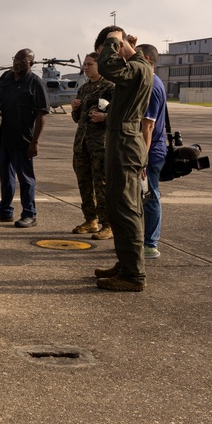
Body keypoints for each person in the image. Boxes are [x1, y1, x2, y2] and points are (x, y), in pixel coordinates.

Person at [92, 27, 153, 292]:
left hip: (126, 144)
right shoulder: (137, 66)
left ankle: (133, 275)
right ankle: (126, 263)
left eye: (109, 47)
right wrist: (122, 44)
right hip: (122, 141)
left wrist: (114, 40)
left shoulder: (137, 69)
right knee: (119, 207)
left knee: (126, 209)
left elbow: (107, 67)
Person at [0, 48, 50, 228]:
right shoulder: (5, 78)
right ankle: (5, 211)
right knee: (6, 177)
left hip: (23, 139)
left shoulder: (35, 83)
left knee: (26, 179)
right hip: (2, 138)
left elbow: (42, 113)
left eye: (22, 61)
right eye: (16, 59)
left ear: (31, 64)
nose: (17, 63)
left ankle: (30, 214)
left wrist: (34, 142)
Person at [70, 53, 114, 238]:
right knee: (84, 184)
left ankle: (108, 224)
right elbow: (77, 119)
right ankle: (90, 220)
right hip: (82, 145)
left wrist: (104, 117)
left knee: (101, 185)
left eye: (90, 64)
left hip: (100, 145)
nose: (86, 67)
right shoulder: (84, 88)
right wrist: (75, 109)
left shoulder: (110, 87)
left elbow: (119, 115)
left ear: (99, 65)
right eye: (85, 65)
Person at [138, 44, 166, 260]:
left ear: (146, 59)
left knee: (150, 196)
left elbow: (148, 127)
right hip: (150, 151)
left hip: (150, 153)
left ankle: (150, 244)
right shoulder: (151, 82)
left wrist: (142, 160)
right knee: (144, 197)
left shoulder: (152, 86)